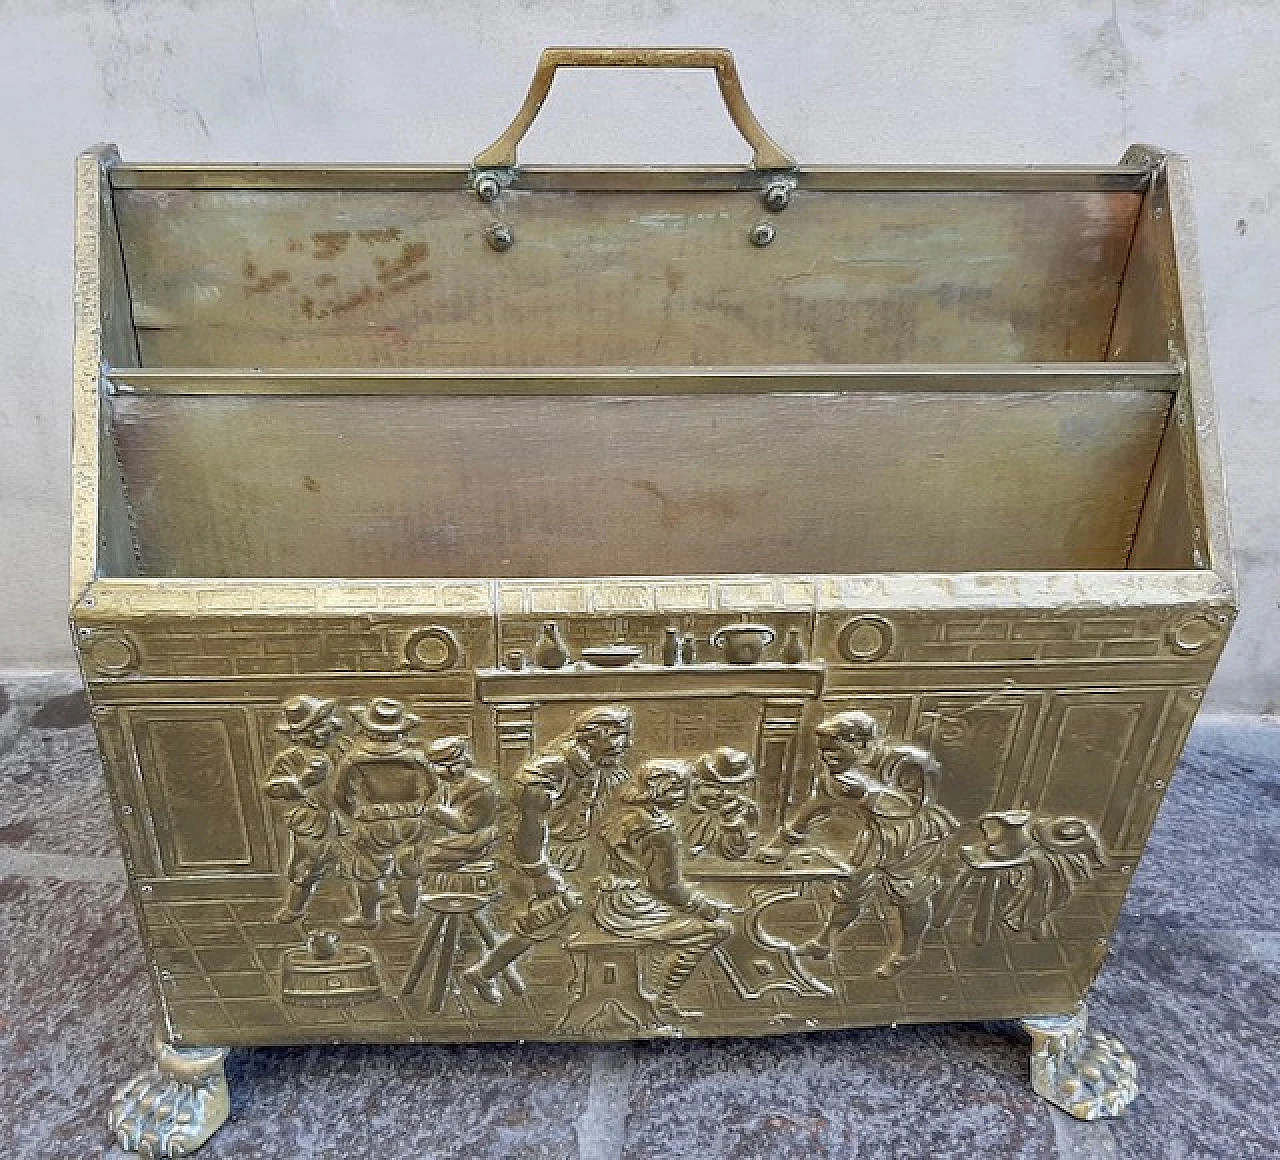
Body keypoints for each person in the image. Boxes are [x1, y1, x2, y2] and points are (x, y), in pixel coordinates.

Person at [758, 710, 957, 977]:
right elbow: (818, 804)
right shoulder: (838, 771)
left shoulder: (910, 763)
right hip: (877, 834)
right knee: (852, 884)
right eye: (824, 752)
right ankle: (824, 943)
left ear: (860, 744)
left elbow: (915, 805)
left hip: (915, 835)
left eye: (834, 751)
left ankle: (907, 954)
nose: (827, 758)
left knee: (910, 895)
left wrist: (868, 793)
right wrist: (784, 842)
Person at [463, 705, 634, 996]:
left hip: (576, 852)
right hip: (537, 858)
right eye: (618, 735)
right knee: (549, 917)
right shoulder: (546, 770)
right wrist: (540, 872)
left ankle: (582, 982)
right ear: (595, 736)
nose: (626, 743)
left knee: (570, 916)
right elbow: (529, 826)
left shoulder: (594, 763)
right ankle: (484, 972)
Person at [594, 758, 735, 1020]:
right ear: (659, 790)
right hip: (628, 906)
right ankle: (664, 1000)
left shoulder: (628, 817)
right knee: (716, 929)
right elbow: (665, 887)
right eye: (679, 788)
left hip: (611, 898)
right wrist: (704, 907)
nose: (687, 794)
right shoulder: (658, 829)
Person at [332, 698, 437, 928]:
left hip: (373, 820)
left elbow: (341, 795)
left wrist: (357, 812)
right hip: (411, 819)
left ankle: (369, 916)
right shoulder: (416, 758)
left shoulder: (354, 760)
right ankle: (409, 912)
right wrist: (417, 807)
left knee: (368, 869)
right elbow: (432, 788)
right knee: (408, 868)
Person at [263, 695, 347, 923]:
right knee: (306, 867)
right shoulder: (290, 758)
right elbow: (271, 787)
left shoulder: (341, 750)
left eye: (329, 722)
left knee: (362, 863)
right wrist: (303, 782)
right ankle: (295, 908)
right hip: (312, 820)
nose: (330, 727)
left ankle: (367, 906)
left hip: (346, 819)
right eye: (321, 724)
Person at [421, 735, 498, 871]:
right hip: (449, 837)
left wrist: (438, 812)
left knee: (423, 855)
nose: (436, 772)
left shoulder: (481, 788)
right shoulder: (447, 786)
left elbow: (469, 826)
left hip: (475, 840)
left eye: (439, 766)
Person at [685, 747, 760, 861]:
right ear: (697, 784)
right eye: (714, 786)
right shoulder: (685, 809)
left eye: (733, 788)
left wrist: (731, 823)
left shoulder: (747, 809)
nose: (723, 794)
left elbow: (744, 850)